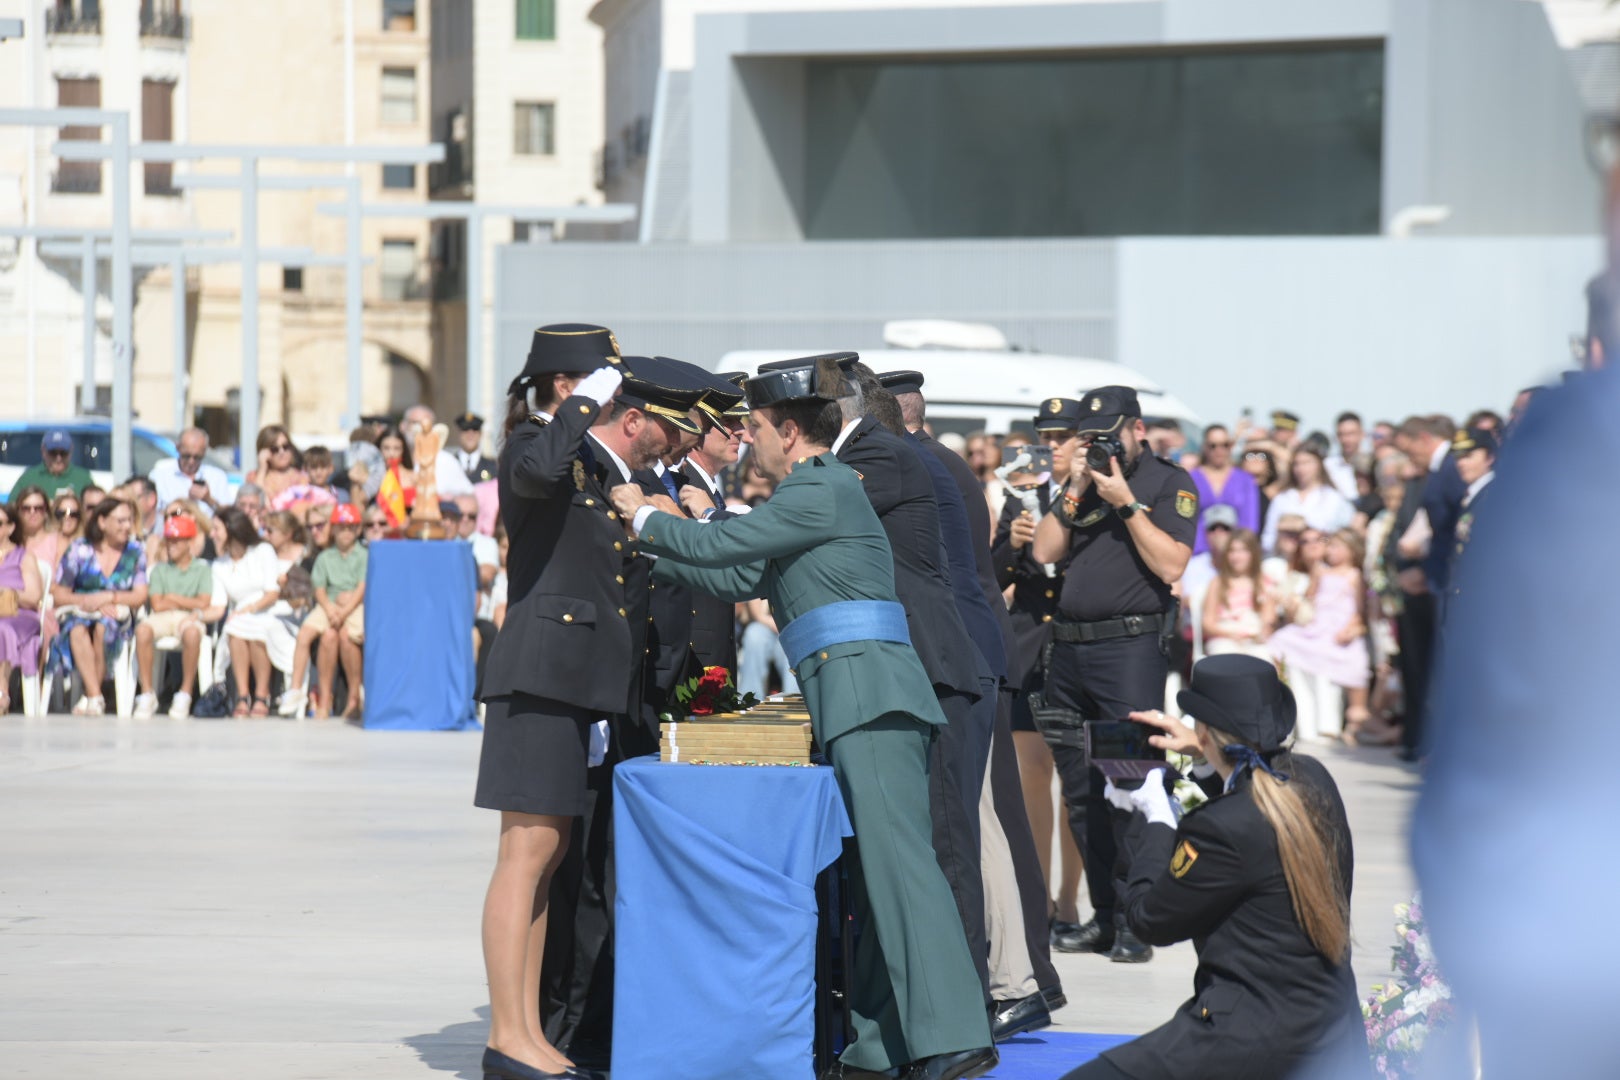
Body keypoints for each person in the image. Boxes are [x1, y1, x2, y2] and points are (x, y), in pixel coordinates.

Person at [610, 356, 997, 1080]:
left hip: (868, 695)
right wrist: (655, 544)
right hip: (852, 696)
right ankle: (882, 1046)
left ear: (789, 432)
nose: (747, 441)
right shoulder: (813, 496)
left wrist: (642, 513)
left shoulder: (822, 488)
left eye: (753, 427)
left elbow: (725, 547)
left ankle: (953, 1037)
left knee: (902, 869)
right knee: (874, 877)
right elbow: (735, 574)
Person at [1059, 655, 1371, 1080]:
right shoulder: (1313, 780)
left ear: (1203, 730)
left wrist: (1155, 821)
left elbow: (1148, 919)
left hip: (1247, 1038)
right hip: (1334, 1033)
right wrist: (1204, 757)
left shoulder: (1219, 829)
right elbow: (1254, 793)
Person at [472, 323, 636, 1080]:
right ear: (569, 385)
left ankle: (528, 1033)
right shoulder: (531, 446)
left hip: (568, 680)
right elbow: (535, 468)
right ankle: (508, 1035)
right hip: (536, 675)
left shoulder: (571, 454)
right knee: (526, 852)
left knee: (550, 852)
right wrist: (576, 409)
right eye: (604, 383)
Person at [886, 368, 1064, 1038]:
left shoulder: (917, 467)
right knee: (987, 816)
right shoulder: (947, 462)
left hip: (964, 660)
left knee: (978, 819)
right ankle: (1016, 980)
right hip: (979, 653)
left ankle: (1012, 981)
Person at [1029, 385, 1196, 964]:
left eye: (1108, 433)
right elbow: (1045, 552)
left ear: (1137, 429)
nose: (1099, 444)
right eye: (1089, 435)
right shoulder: (1080, 484)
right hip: (1070, 655)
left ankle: (1135, 922)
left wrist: (1124, 501)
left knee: (1130, 786)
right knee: (1080, 795)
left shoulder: (1168, 483)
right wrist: (1075, 487)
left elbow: (1173, 563)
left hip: (1127, 654)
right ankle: (1103, 915)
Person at [991, 402, 1086, 953]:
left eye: (1063, 434)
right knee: (1031, 777)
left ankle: (1071, 898)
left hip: (1075, 647)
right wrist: (1015, 543)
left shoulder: (1092, 492)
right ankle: (1038, 898)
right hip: (1028, 645)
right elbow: (994, 571)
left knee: (1077, 781)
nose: (1052, 443)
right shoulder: (1021, 496)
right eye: (1046, 435)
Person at [49, 498, 149, 716]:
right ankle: (95, 695)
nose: (127, 526)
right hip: (80, 611)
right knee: (77, 630)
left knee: (105, 627)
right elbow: (58, 591)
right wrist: (86, 602)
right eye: (120, 521)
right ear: (102, 522)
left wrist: (109, 597)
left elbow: (140, 595)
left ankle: (91, 695)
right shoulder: (80, 549)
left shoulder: (135, 551)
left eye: (129, 521)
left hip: (116, 613)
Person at [1269, 529, 1369, 743]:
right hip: (1317, 628)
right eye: (1329, 545)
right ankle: (1305, 725)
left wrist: (1351, 627)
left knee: (1328, 670)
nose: (1329, 550)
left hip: (1338, 631)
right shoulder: (1320, 572)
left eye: (1335, 546)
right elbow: (1311, 599)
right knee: (1283, 644)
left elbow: (1359, 611)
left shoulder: (1354, 575)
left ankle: (1328, 726)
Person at [132, 514, 221, 720]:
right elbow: (157, 604)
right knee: (142, 630)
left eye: (176, 541)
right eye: (169, 540)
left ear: (189, 543)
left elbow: (204, 602)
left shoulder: (201, 569)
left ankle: (185, 693)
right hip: (162, 616)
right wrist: (184, 600)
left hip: (189, 617)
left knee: (191, 634)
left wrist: (172, 597)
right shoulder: (160, 570)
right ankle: (147, 692)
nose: (171, 545)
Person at [210, 507, 283, 718]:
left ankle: (261, 694)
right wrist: (194, 615)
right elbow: (218, 606)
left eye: (217, 529)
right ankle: (243, 695)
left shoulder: (262, 551)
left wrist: (248, 609)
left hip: (267, 610)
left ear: (232, 530)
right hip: (239, 616)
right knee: (235, 629)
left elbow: (272, 593)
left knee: (255, 629)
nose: (212, 534)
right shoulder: (219, 565)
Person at [1261, 445, 1354, 554]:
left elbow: (1342, 535)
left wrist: (1311, 534)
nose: (1301, 469)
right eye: (1297, 464)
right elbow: (1269, 536)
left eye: (1307, 463)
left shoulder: (1334, 498)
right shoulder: (1282, 498)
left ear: (1319, 464)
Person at [1202, 529, 1275, 661]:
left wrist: (1260, 633)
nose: (1236, 556)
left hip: (1254, 638)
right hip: (1224, 637)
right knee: (1228, 659)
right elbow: (1208, 623)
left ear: (1253, 553)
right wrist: (1231, 634)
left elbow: (1268, 619)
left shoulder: (1264, 582)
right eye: (1232, 551)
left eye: (1242, 550)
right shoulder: (1217, 583)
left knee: (1264, 659)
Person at [0, 501, 45, 715]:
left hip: (20, 615)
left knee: (2, 630)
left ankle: (2, 692)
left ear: (10, 527)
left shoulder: (23, 557)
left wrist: (7, 592)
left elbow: (34, 596)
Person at [1188, 424, 1260, 555]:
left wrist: (1240, 551)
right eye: (1213, 445)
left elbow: (1250, 523)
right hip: (1197, 552)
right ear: (1204, 447)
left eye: (1225, 445)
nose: (1219, 450)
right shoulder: (1191, 478)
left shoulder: (1245, 480)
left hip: (1235, 554)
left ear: (1231, 446)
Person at [150, 427, 232, 514]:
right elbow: (152, 514)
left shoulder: (217, 477)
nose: (191, 462)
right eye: (186, 456)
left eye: (197, 457)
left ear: (204, 452)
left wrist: (209, 500)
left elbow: (229, 515)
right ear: (178, 448)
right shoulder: (160, 476)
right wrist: (178, 511)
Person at [401, 403, 476, 498]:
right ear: (403, 426)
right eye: (415, 423)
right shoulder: (394, 456)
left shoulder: (446, 461)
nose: (421, 429)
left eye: (426, 424)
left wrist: (444, 501)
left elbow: (470, 499)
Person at [9, 428, 93, 505]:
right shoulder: (29, 477)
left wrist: (75, 501)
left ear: (71, 451)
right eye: (53, 453)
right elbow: (11, 505)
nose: (58, 458)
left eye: (63, 453)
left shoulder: (83, 478)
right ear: (43, 451)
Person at [245, 425, 308, 504]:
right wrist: (262, 468)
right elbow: (257, 502)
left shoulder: (302, 478)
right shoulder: (254, 477)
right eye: (274, 449)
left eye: (285, 447)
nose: (282, 452)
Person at [1324, 411, 1367, 501]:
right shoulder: (1327, 466)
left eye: (1351, 434)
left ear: (1362, 434)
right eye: (1341, 434)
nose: (1346, 439)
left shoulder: (1372, 463)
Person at [454, 412, 498, 484]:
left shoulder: (493, 466)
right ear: (459, 433)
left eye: (475, 430)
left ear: (481, 434)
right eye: (466, 429)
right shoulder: (449, 464)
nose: (470, 435)